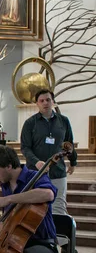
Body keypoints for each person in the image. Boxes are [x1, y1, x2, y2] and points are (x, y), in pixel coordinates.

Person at [20, 89, 77, 217]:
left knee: (59, 208)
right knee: (36, 210)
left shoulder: (64, 121)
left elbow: (69, 144)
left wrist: (73, 162)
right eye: (42, 101)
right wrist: (36, 162)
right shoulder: (30, 123)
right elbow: (25, 148)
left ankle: (59, 237)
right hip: (36, 173)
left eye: (48, 100)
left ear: (53, 102)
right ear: (37, 104)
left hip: (58, 171)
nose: (45, 103)